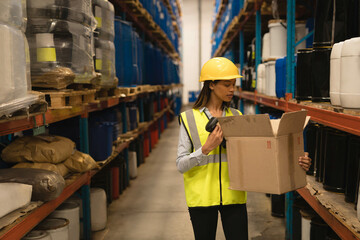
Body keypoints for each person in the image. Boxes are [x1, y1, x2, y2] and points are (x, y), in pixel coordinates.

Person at [176, 57, 312, 240]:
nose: (232, 89)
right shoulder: (188, 118)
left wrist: (294, 161)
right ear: (211, 85)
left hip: (234, 197)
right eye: (226, 84)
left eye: (233, 84)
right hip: (201, 200)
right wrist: (206, 148)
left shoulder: (237, 116)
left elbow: (259, 156)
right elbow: (181, 165)